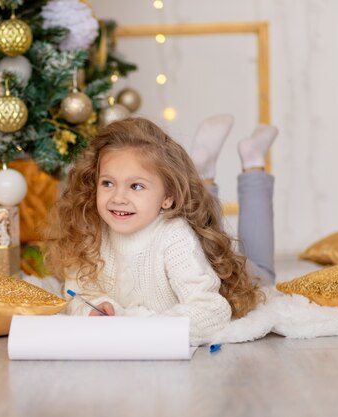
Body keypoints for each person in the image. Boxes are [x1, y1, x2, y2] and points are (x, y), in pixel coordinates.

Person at [45, 116, 277, 346]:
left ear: (167, 197)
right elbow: (79, 294)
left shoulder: (174, 235)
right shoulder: (90, 230)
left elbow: (211, 310)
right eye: (107, 183)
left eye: (136, 186)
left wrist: (153, 328)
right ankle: (204, 172)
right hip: (191, 236)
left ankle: (253, 162)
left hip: (239, 272)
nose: (118, 198)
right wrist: (98, 308)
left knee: (263, 270)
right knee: (204, 217)